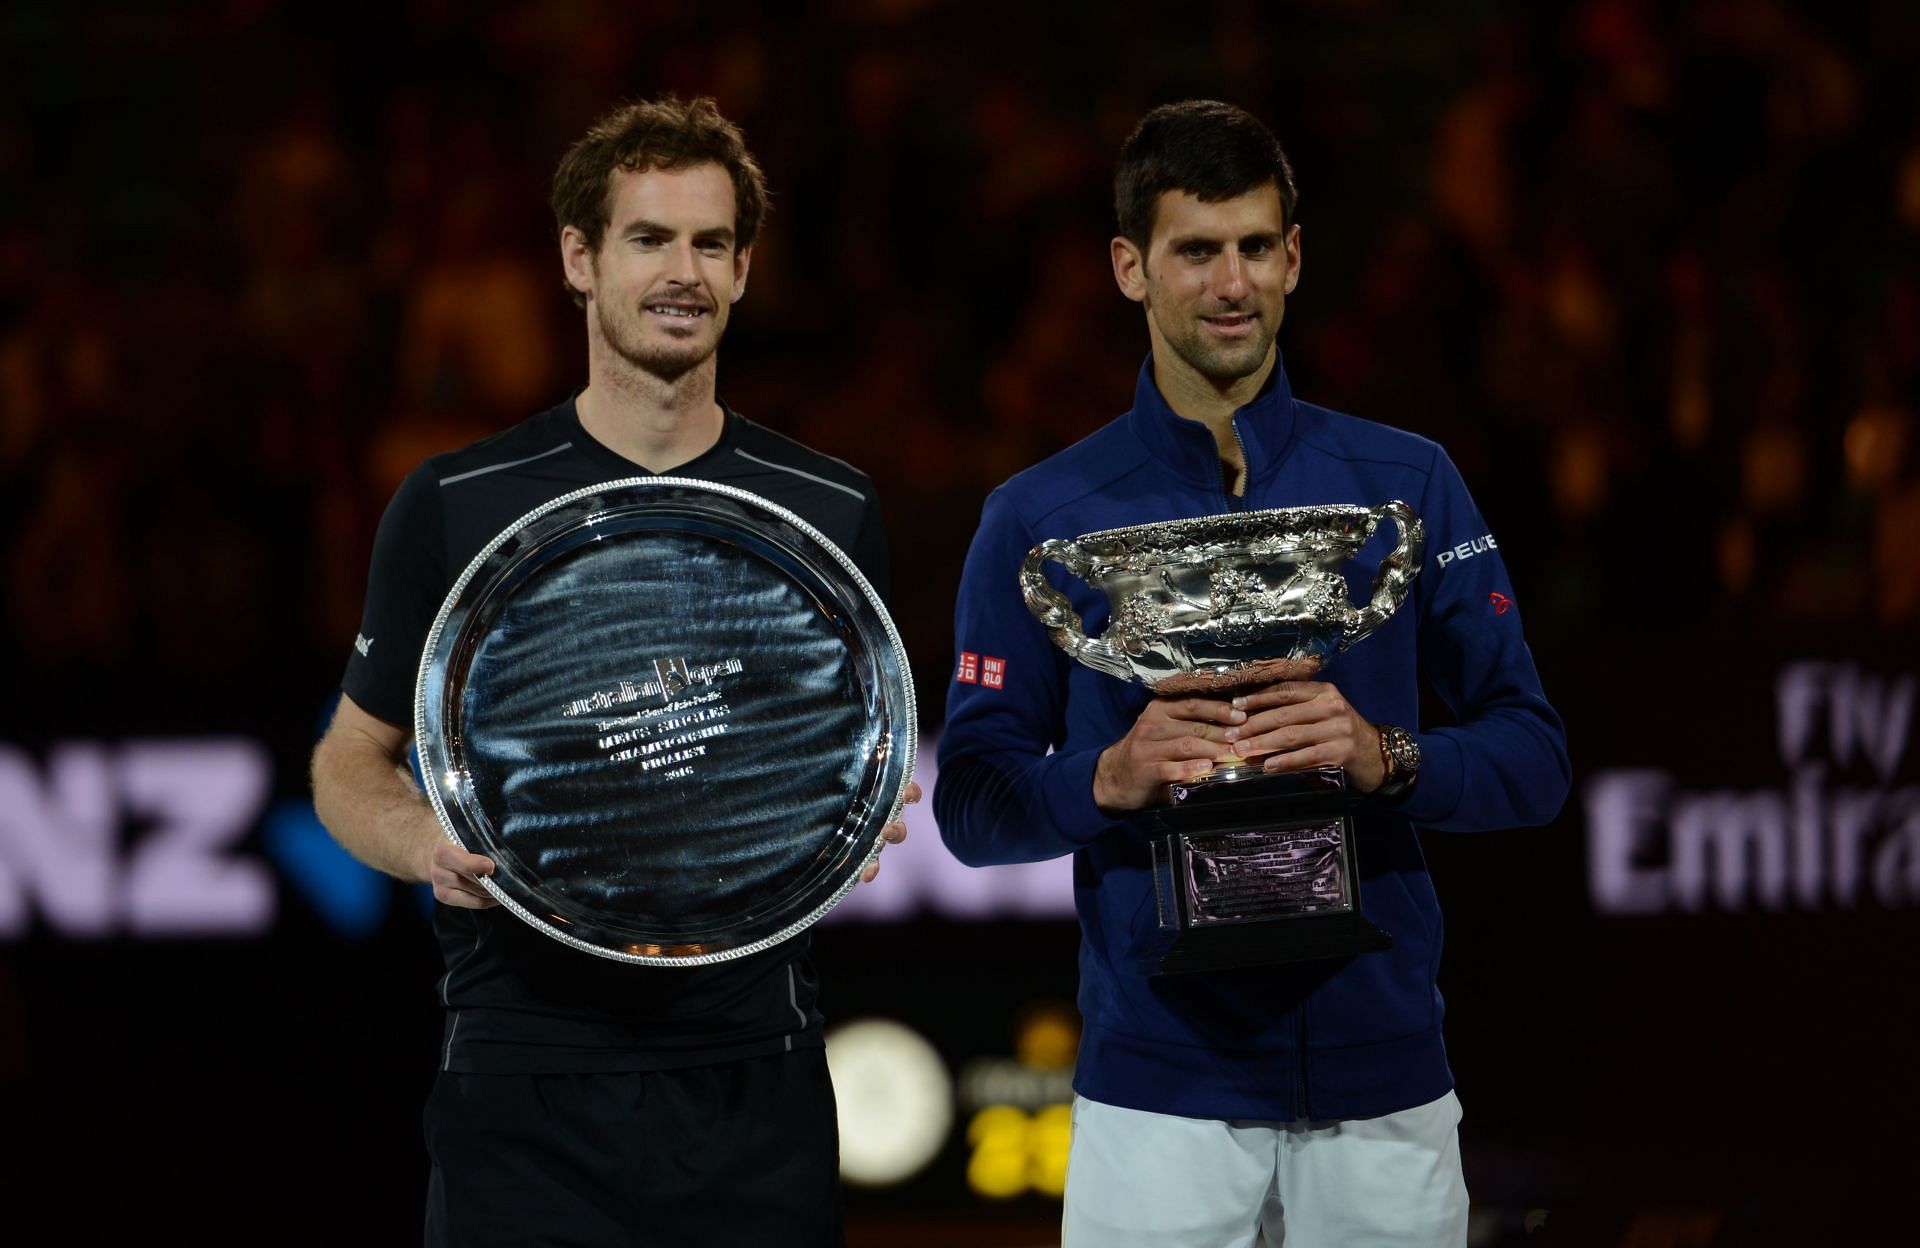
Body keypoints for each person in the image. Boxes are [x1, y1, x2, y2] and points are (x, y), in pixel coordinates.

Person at [935, 99, 1569, 1247]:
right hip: (1157, 1085)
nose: (1231, 284)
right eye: (1195, 251)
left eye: (1255, 248)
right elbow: (974, 807)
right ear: (1131, 267)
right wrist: (1110, 778)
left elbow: (1534, 759)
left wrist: (1384, 756)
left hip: (1380, 1074)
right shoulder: (1039, 519)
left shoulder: (1404, 484)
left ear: (1293, 257)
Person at [311, 95, 912, 1248]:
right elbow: (351, 759)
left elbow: (846, 743)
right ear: (579, 259)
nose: (682, 271)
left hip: (755, 1075)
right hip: (526, 1075)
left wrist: (859, 802)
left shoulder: (830, 509)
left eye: (710, 242)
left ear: (744, 270)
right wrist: (421, 846)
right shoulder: (454, 504)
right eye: (649, 238)